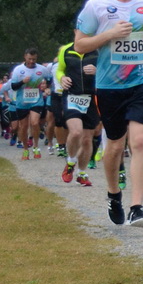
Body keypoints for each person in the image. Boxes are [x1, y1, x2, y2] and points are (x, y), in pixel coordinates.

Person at [75, 0, 143, 227]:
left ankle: (137, 207)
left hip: (142, 79)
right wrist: (109, 35)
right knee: (114, 145)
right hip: (110, 85)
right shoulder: (97, 6)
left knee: (139, 140)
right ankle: (114, 195)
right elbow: (80, 45)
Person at [54, 39, 101, 187]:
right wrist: (62, 78)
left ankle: (81, 173)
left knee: (87, 139)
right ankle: (70, 162)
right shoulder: (66, 50)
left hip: (91, 98)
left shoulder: (98, 50)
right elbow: (59, 69)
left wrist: (97, 71)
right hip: (72, 97)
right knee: (75, 132)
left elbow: (110, 70)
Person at [6, 48, 49, 158]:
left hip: (36, 101)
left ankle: (35, 146)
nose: (31, 61)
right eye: (30, 59)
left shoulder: (42, 69)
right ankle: (25, 149)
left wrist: (47, 87)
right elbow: (13, 87)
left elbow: (50, 79)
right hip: (22, 102)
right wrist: (22, 82)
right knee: (23, 126)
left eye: (34, 59)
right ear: (25, 57)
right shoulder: (18, 70)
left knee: (35, 123)